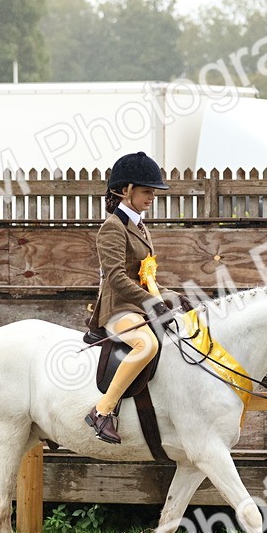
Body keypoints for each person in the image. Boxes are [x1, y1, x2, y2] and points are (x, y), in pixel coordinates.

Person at [85, 151, 174, 444]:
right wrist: (152, 302)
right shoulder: (112, 228)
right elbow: (116, 278)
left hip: (136, 305)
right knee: (145, 344)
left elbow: (144, 275)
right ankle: (102, 411)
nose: (151, 197)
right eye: (146, 191)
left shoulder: (139, 225)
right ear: (126, 191)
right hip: (117, 310)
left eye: (153, 191)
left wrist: (169, 297)